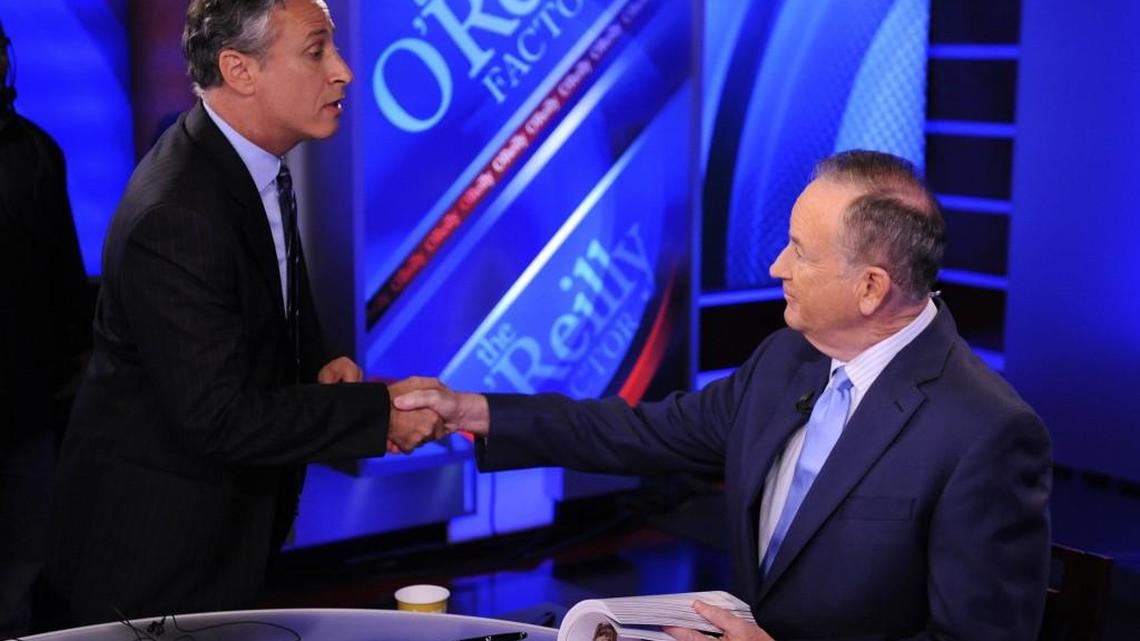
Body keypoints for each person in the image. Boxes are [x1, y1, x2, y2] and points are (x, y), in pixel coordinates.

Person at [394, 150, 1052, 640]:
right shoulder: (787, 357)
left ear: (872, 288)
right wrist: (471, 411)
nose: (776, 268)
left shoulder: (986, 431)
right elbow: (641, 433)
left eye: (799, 250)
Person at [45, 0, 444, 626]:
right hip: (151, 567)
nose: (343, 71)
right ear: (239, 69)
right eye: (316, 51)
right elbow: (219, 417)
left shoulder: (244, 165)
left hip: (222, 540)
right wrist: (378, 417)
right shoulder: (176, 214)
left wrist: (317, 361)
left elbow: (268, 297)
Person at [0, 20, 92, 637]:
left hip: (23, 406)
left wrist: (74, 361)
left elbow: (62, 271)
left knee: (21, 572)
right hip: (28, 400)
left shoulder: (34, 152)